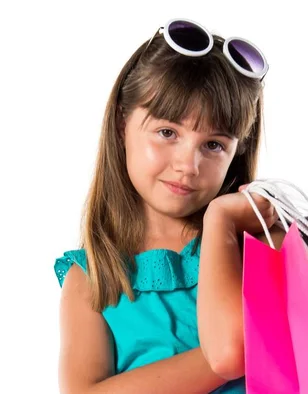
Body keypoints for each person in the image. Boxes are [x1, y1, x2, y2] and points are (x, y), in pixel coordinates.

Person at [53, 18, 285, 394]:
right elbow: (231, 353)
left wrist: (221, 223)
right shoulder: (92, 278)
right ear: (120, 125)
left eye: (213, 145)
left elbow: (232, 352)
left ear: (236, 150)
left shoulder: (262, 240)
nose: (187, 166)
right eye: (167, 133)